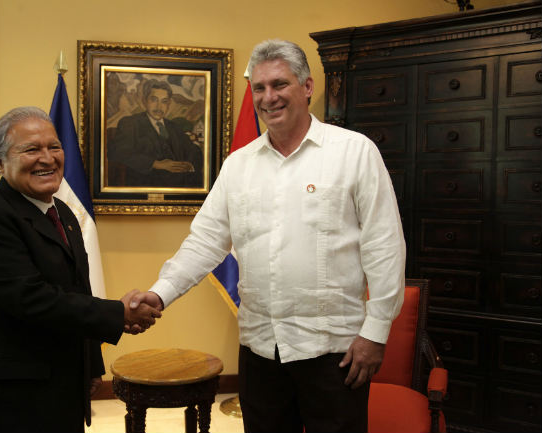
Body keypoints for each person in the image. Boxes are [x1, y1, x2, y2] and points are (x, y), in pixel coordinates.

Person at [130, 40, 406, 433]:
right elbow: (205, 241)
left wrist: (376, 332)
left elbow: (384, 247)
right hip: (261, 350)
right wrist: (159, 294)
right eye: (259, 88)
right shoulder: (238, 165)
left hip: (334, 352)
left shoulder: (354, 153)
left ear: (307, 87)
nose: (268, 97)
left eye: (279, 84)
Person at [0, 106, 161, 433]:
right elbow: (32, 299)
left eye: (54, 147)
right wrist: (117, 314)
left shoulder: (63, 212)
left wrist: (91, 364)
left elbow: (79, 288)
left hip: (63, 384)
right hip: (11, 397)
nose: (47, 158)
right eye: (31, 149)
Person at [107, 79, 204, 188]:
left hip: (179, 190)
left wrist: (189, 165)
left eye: (164, 101)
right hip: (145, 187)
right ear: (145, 101)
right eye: (154, 100)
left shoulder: (174, 127)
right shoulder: (130, 123)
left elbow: (194, 151)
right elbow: (117, 152)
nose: (159, 107)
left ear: (169, 104)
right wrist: (156, 164)